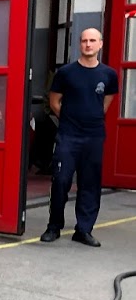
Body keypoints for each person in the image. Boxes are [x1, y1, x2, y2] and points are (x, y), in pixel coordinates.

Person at [40, 28, 118, 247]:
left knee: (90, 183)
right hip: (68, 136)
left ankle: (84, 230)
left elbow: (106, 101)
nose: (88, 44)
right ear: (79, 44)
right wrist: (69, 119)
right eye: (84, 41)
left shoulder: (109, 74)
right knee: (61, 180)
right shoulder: (66, 73)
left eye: (92, 40)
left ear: (100, 44)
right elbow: (54, 101)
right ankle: (54, 226)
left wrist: (91, 118)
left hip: (94, 137)